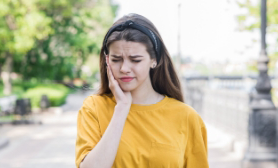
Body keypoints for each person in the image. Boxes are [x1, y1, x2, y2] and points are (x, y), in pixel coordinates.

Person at [75, 13, 208, 168]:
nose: (124, 68)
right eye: (116, 60)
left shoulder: (187, 117)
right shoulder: (93, 108)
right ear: (106, 60)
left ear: (154, 60)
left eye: (135, 60)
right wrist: (122, 108)